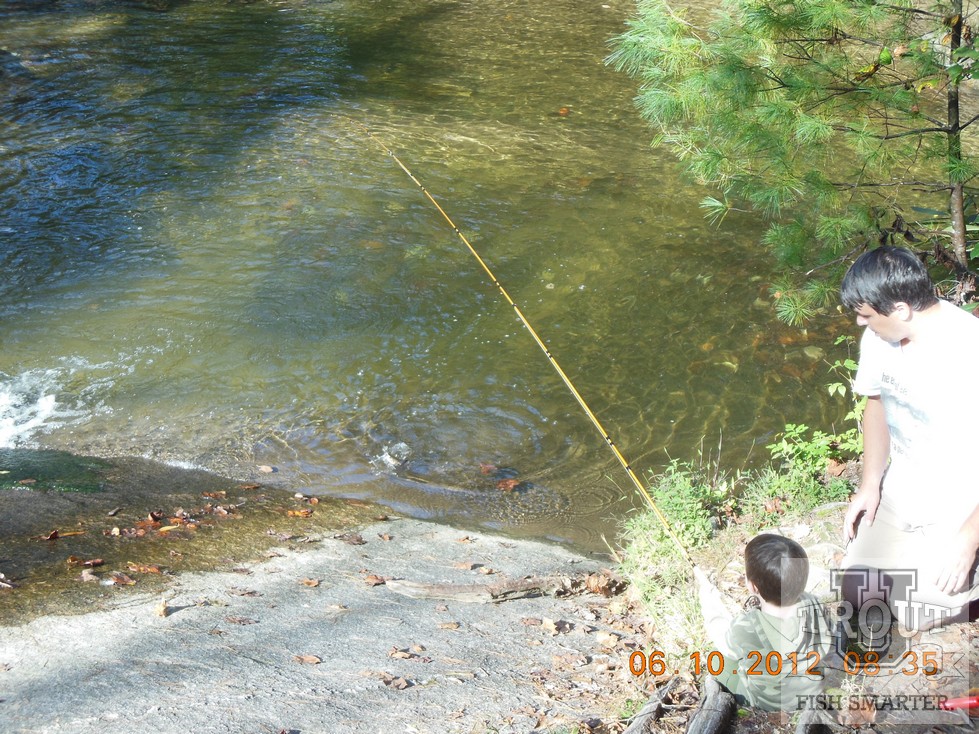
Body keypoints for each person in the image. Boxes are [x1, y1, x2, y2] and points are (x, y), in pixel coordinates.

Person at [839, 245, 979, 631]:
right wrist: (870, 485)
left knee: (916, 612)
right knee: (856, 591)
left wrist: (968, 540)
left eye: (865, 314)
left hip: (963, 502)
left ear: (901, 309)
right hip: (905, 488)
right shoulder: (879, 337)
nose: (860, 323)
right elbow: (877, 405)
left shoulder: (970, 350)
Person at [696, 533, 834, 712]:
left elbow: (721, 635)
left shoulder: (746, 627)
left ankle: (740, 709)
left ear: (753, 586)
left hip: (767, 704)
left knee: (719, 661)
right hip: (812, 690)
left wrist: (707, 598)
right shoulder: (813, 604)